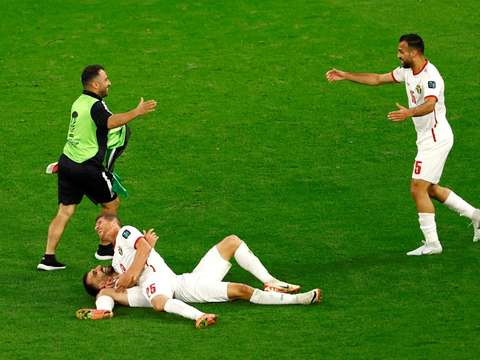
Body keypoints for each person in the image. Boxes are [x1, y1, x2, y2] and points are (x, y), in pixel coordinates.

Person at [326, 34, 480, 255]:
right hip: (428, 138)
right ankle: (477, 217)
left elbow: (429, 104)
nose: (398, 55)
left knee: (417, 189)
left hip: (436, 139)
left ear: (413, 53)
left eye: (401, 51)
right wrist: (346, 75)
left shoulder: (430, 76)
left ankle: (433, 244)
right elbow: (377, 78)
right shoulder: (407, 71)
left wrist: (409, 112)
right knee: (431, 189)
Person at [79, 214, 321, 328]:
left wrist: (132, 271)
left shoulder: (125, 232)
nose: (96, 227)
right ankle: (296, 300)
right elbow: (138, 261)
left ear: (113, 223)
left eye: (99, 223)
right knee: (242, 288)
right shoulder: (118, 262)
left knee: (233, 242)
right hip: (182, 283)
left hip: (167, 282)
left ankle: (271, 281)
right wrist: (126, 277)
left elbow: (140, 250)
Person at [37, 65, 157, 271]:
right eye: (106, 79)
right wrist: (136, 112)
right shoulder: (95, 105)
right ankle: (104, 249)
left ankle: (48, 258)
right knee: (112, 203)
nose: (109, 82)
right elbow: (109, 122)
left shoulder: (79, 101)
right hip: (86, 167)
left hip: (66, 163)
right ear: (95, 84)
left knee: (64, 212)